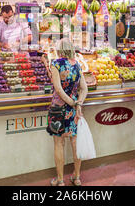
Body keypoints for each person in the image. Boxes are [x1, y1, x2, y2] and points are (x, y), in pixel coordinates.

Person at [48, 39, 88, 186]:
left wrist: (72, 103)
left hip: (58, 108)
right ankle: (76, 177)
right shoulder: (76, 65)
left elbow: (58, 89)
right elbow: (84, 88)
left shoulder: (56, 64)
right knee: (75, 142)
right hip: (73, 110)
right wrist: (78, 103)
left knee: (59, 143)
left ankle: (60, 180)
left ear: (59, 50)